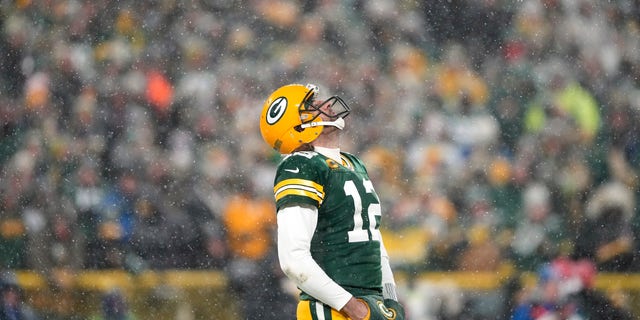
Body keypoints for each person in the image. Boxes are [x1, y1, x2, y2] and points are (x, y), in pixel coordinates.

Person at [259, 83, 405, 320]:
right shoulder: (301, 166)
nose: (325, 104)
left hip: (369, 304)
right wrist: (351, 307)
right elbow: (293, 259)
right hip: (331, 309)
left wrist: (390, 301)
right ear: (296, 126)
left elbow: (375, 243)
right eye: (311, 106)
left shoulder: (354, 164)